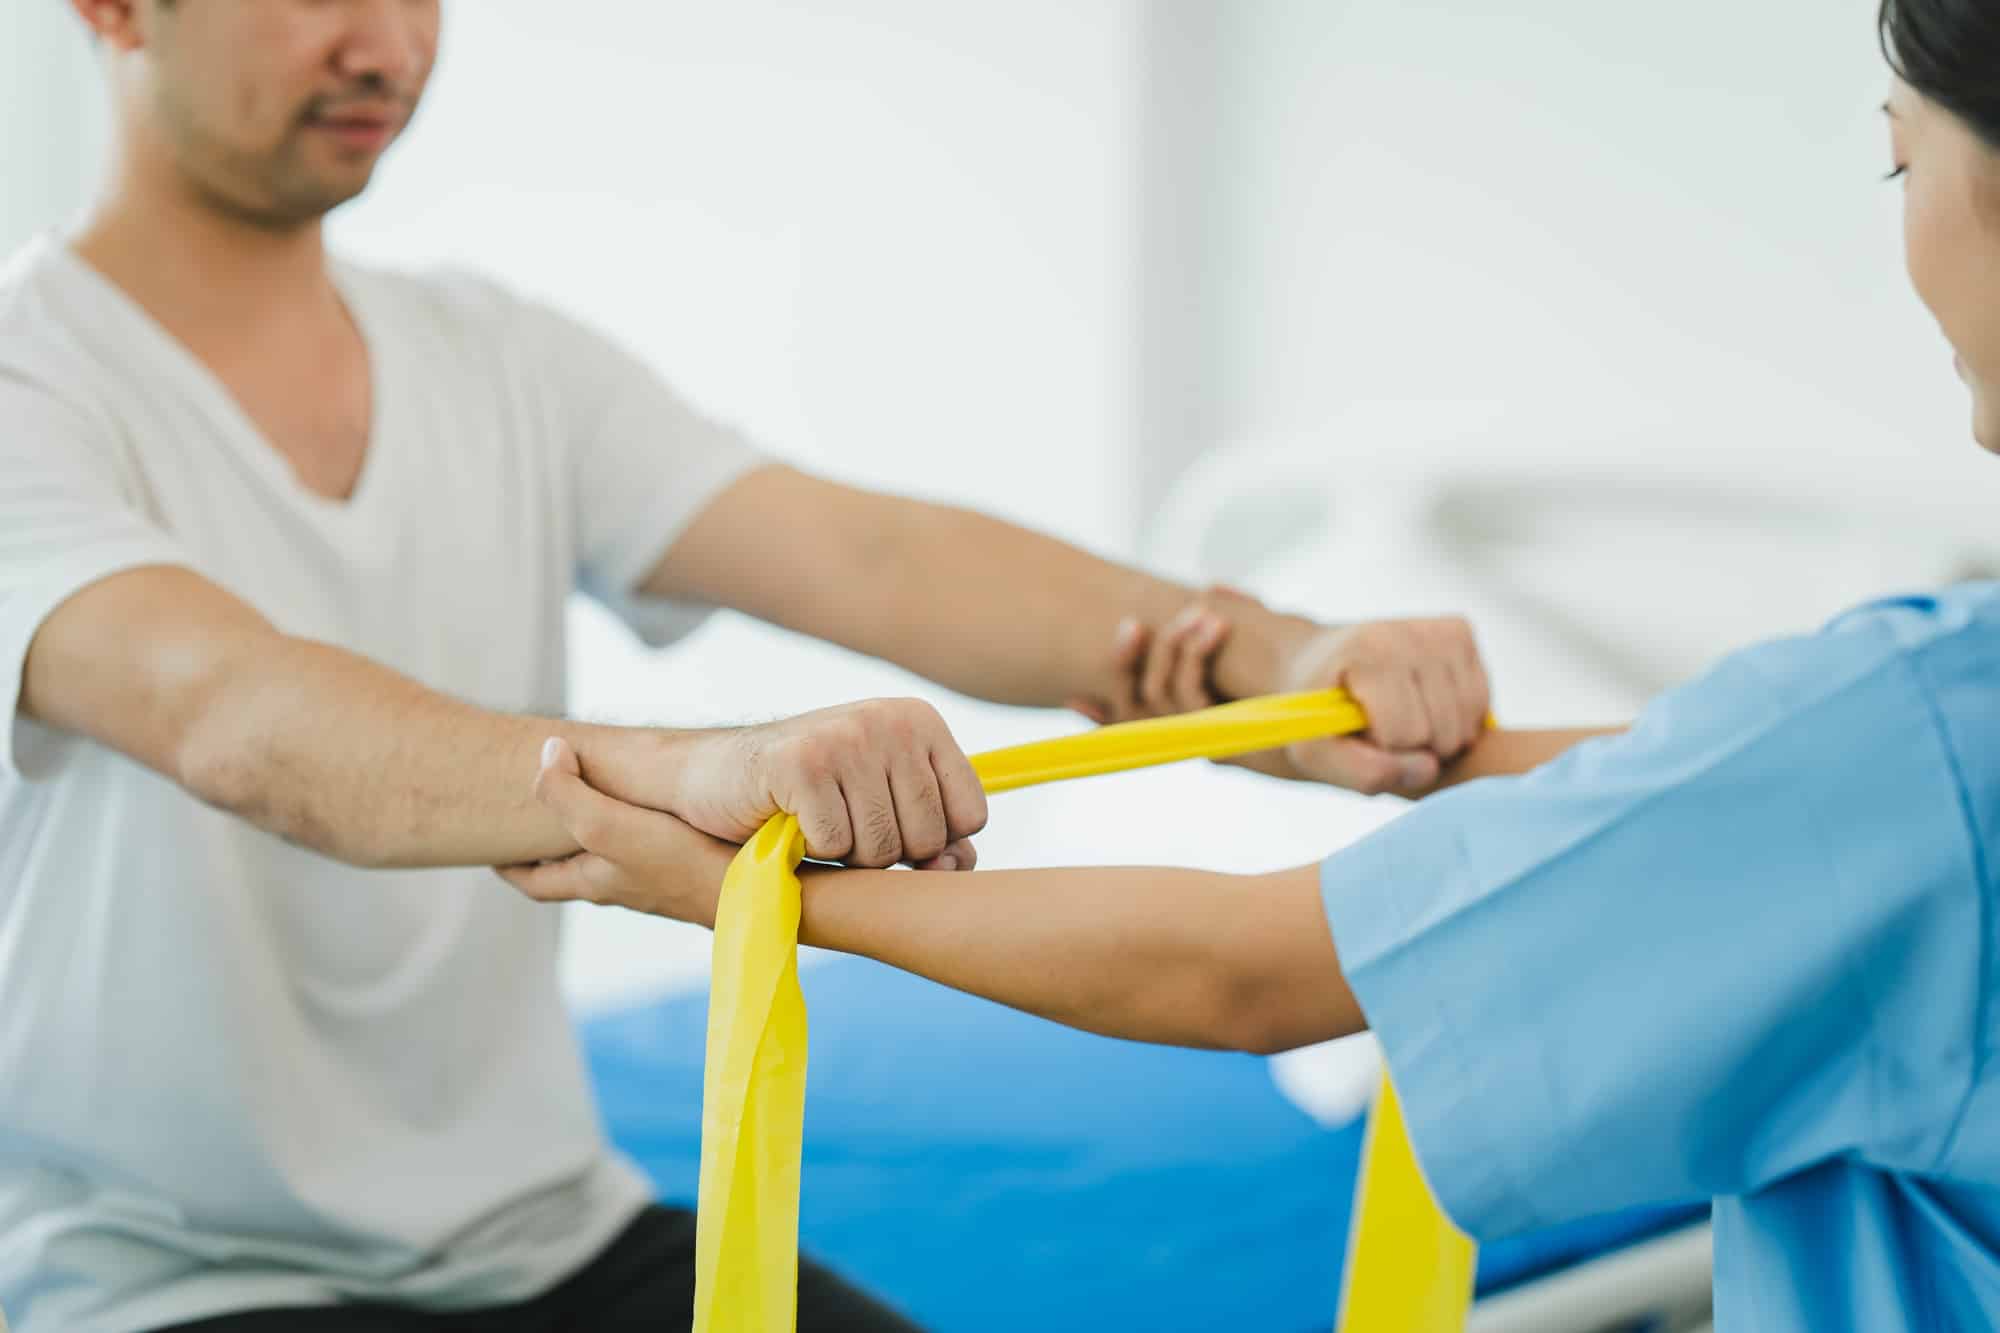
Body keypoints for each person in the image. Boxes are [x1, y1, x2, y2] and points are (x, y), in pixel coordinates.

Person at [0, 3, 1496, 1332]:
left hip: (547, 1237)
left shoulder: (495, 357)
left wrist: (1276, 663)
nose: (389, 44)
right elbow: (238, 716)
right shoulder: (30, 378)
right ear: (115, 9)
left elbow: (872, 557)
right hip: (166, 1277)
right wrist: (688, 765)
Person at [518, 1, 2000, 1327]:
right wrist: (1380, 729)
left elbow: (1247, 972)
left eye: (1896, 163)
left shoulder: (1903, 734)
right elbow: (1719, 778)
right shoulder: (1911, 725)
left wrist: (748, 886)